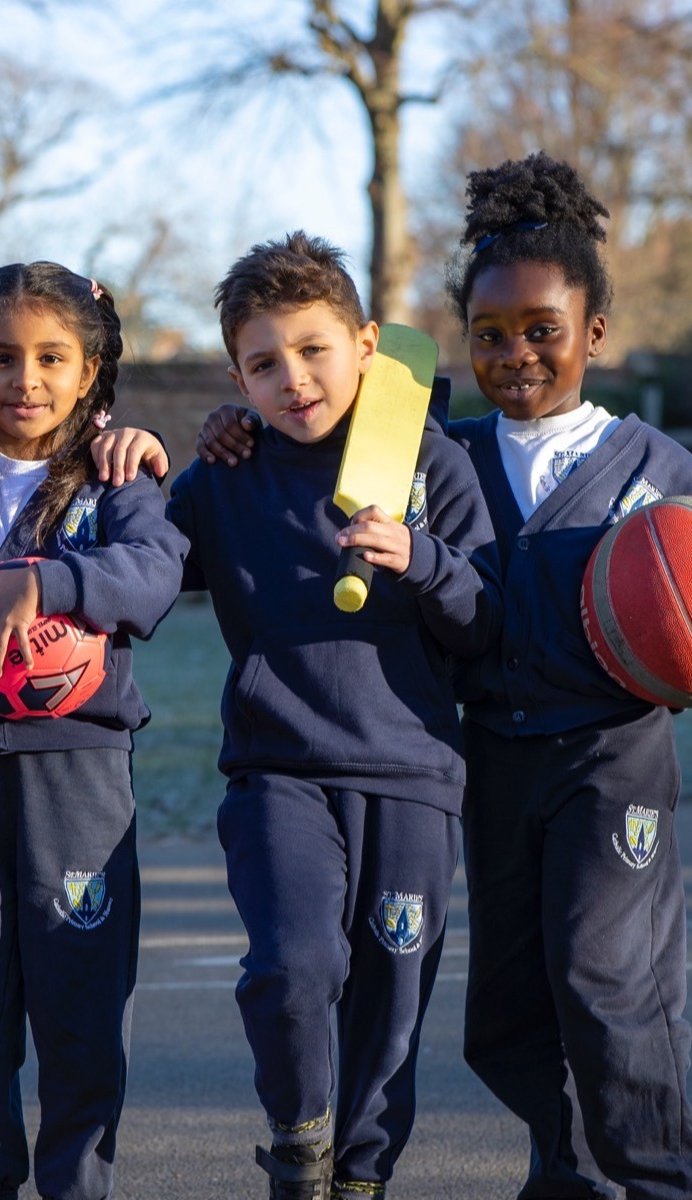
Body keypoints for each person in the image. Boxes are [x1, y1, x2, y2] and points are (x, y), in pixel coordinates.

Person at [197, 155, 692, 1200]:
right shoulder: (434, 455)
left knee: (604, 982)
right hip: (489, 756)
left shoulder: (647, 465)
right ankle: (565, 1175)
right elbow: (298, 452)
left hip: (610, 755)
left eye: (542, 329)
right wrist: (225, 430)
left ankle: (660, 1180)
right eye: (489, 336)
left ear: (591, 333)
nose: (516, 353)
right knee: (506, 1013)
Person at [166, 231, 499, 1199]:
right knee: (292, 964)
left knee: (389, 1008)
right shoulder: (227, 474)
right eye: (261, 363)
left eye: (312, 349)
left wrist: (421, 559)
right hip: (278, 772)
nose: (291, 379)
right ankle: (297, 1141)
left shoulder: (430, 460)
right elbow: (146, 562)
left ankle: (357, 1178)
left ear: (365, 346)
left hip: (412, 778)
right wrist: (137, 453)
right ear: (234, 376)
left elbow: (486, 622)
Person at [0, 261, 188, 1200]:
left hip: (82, 778)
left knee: (80, 1004)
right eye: (1, 356)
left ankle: (76, 1187)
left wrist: (50, 579)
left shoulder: (119, 475)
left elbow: (151, 578)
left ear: (92, 367)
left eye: (52, 357)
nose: (27, 378)